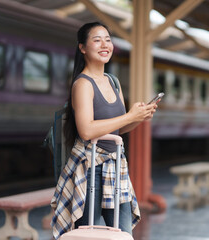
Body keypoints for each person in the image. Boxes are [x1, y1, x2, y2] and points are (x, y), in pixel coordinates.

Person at [50, 22, 158, 239]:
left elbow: (119, 127)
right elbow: (87, 131)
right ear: (82, 47)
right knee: (88, 233)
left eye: (108, 39)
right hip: (90, 168)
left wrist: (139, 117)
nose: (104, 44)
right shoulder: (83, 84)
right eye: (97, 40)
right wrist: (130, 115)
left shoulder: (112, 81)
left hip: (115, 166)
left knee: (123, 233)